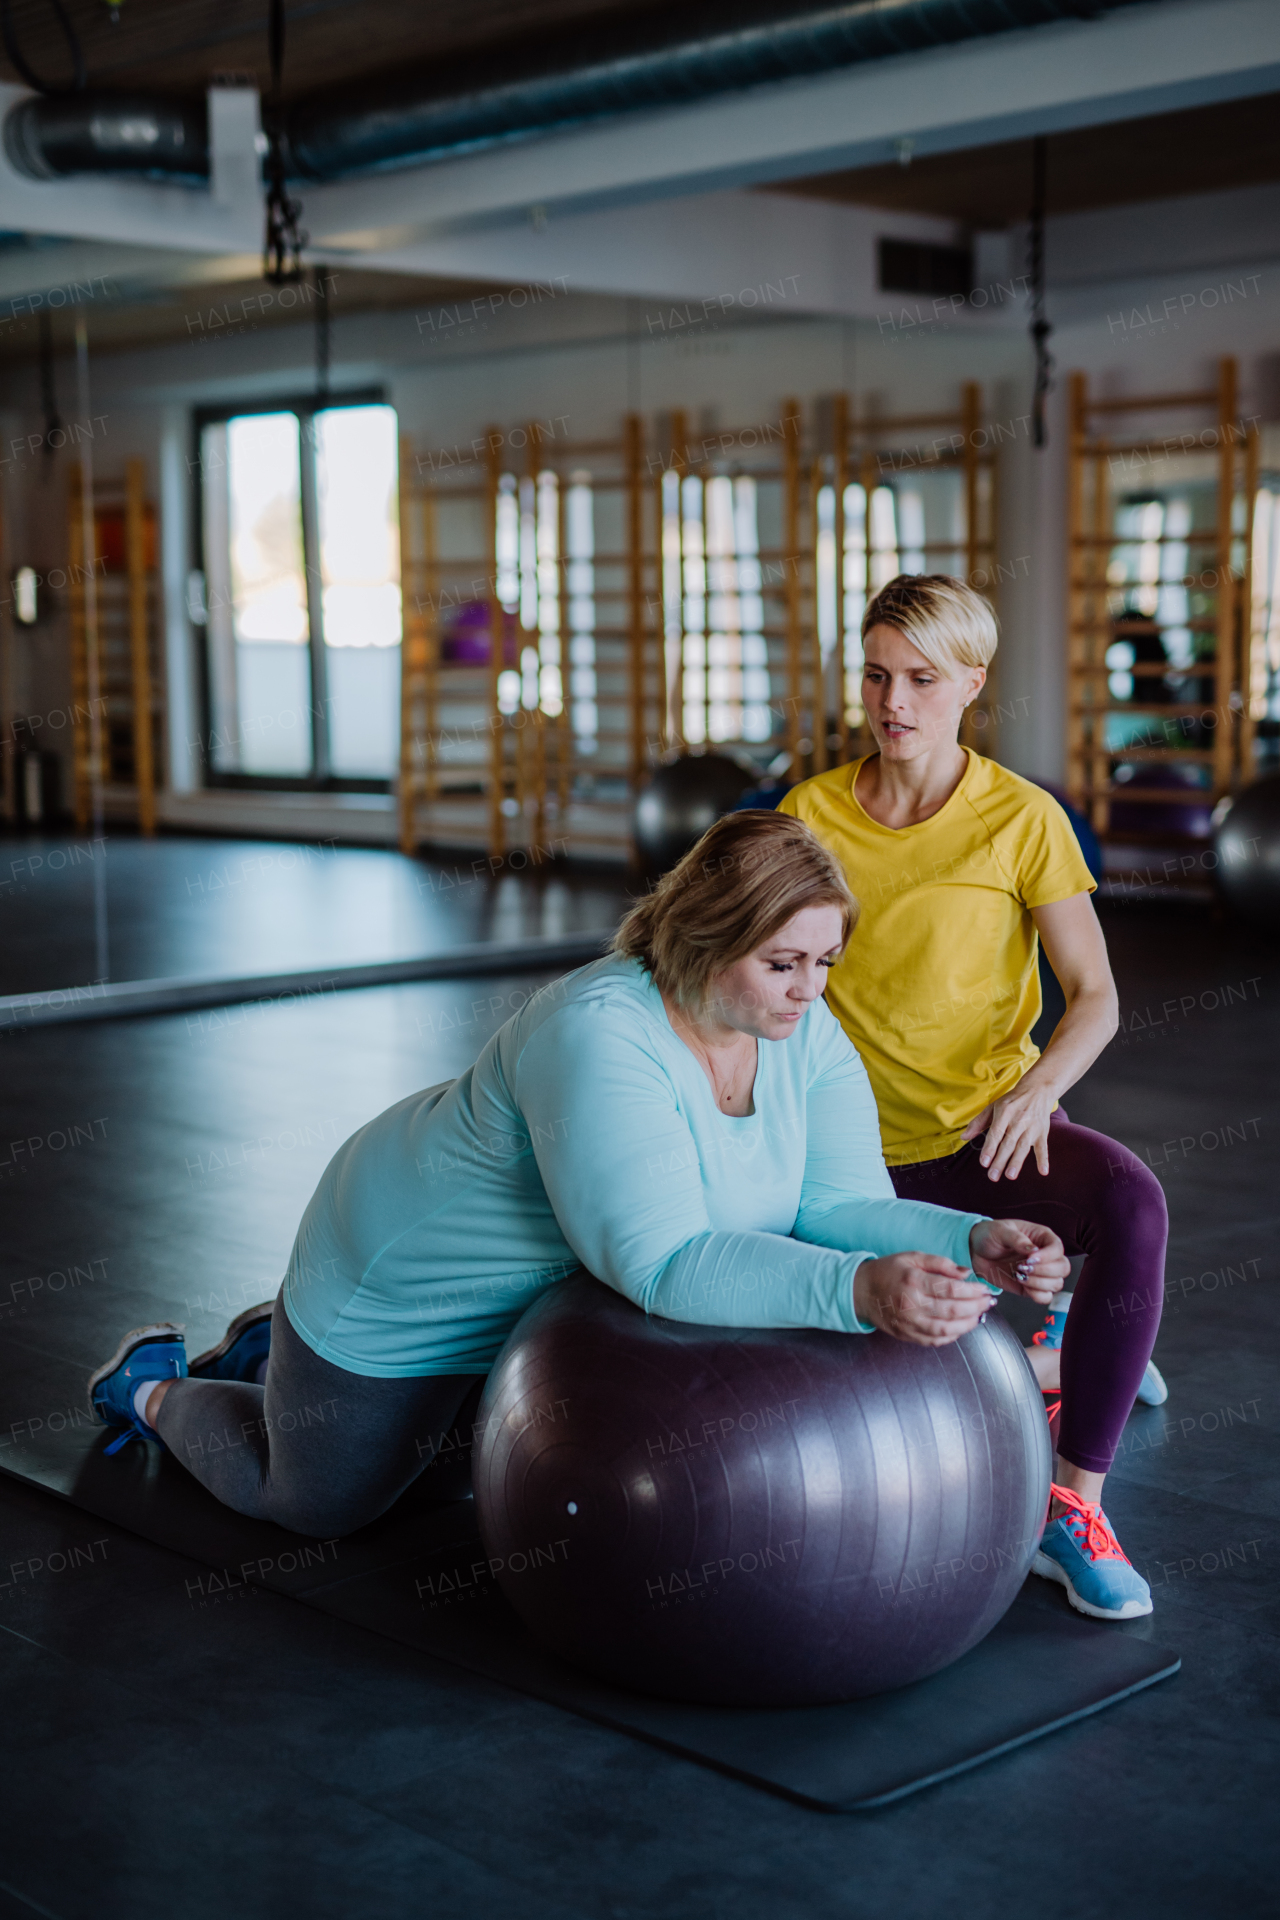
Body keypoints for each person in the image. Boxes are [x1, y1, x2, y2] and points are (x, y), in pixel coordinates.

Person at [89, 810, 1067, 1539]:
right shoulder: (599, 1033)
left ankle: (270, 1346)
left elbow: (831, 1201)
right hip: (396, 1281)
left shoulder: (797, 1030)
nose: (810, 992)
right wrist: (859, 1290)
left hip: (528, 1305)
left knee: (457, 1488)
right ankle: (155, 1386)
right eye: (782, 963)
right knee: (313, 1505)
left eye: (825, 962)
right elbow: (665, 1266)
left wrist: (961, 1239)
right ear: (704, 937)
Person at [781, 573, 1168, 1622]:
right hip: (849, 1159)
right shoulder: (806, 815)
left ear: (971, 683)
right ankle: (1059, 1335)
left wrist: (1038, 1091)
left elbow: (1093, 996)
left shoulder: (1020, 818)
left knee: (1130, 1206)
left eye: (919, 678)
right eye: (873, 674)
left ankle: (1071, 1502)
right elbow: (758, 977)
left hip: (984, 1139)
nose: (890, 702)